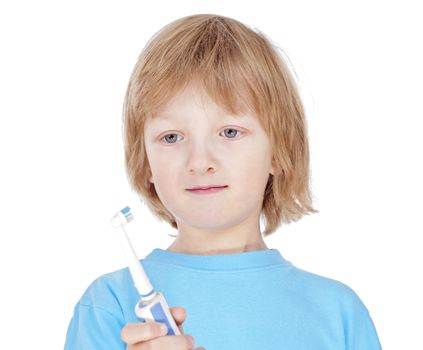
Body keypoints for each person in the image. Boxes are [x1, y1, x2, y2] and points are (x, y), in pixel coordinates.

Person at [64, 14, 382, 350]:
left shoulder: (338, 313)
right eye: (172, 137)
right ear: (146, 163)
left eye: (230, 132)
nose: (200, 162)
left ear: (279, 150)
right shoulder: (109, 306)